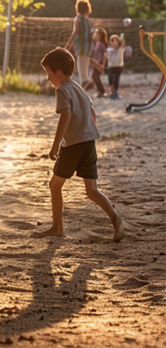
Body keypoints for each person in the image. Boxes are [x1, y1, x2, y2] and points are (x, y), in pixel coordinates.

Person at [34, 47, 124, 242]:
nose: (48, 78)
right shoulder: (78, 88)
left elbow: (65, 116)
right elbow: (91, 111)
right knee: (92, 191)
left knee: (55, 185)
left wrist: (55, 144)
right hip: (89, 142)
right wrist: (91, 129)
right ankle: (115, 218)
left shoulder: (62, 91)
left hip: (73, 145)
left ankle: (57, 227)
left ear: (58, 72)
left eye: (48, 73)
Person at [65, 0, 93, 86]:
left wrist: (68, 44)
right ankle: (86, 81)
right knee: (86, 63)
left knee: (81, 64)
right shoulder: (86, 20)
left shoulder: (78, 18)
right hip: (88, 45)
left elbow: (76, 31)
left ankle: (84, 82)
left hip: (81, 45)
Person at [84, 27, 108, 97]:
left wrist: (103, 65)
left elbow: (104, 55)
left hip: (99, 63)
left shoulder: (101, 44)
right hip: (95, 63)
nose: (95, 35)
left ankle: (102, 92)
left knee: (95, 77)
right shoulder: (96, 43)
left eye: (97, 33)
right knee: (95, 77)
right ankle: (101, 92)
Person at [107, 33, 126, 99]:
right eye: (113, 41)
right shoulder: (108, 50)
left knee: (115, 80)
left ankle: (115, 93)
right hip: (110, 67)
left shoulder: (120, 50)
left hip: (118, 67)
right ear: (110, 42)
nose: (114, 43)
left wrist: (122, 36)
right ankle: (112, 93)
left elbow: (123, 43)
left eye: (116, 41)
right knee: (110, 81)